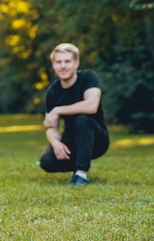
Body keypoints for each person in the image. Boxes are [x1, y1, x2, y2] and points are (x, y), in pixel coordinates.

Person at [39, 43, 110, 186]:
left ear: (76, 63)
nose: (63, 66)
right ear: (53, 65)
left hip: (97, 138)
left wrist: (58, 110)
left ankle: (81, 173)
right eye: (58, 62)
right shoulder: (53, 92)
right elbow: (50, 126)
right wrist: (55, 142)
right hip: (72, 139)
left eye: (67, 61)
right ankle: (80, 162)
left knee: (82, 118)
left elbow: (91, 106)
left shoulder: (88, 77)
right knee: (47, 162)